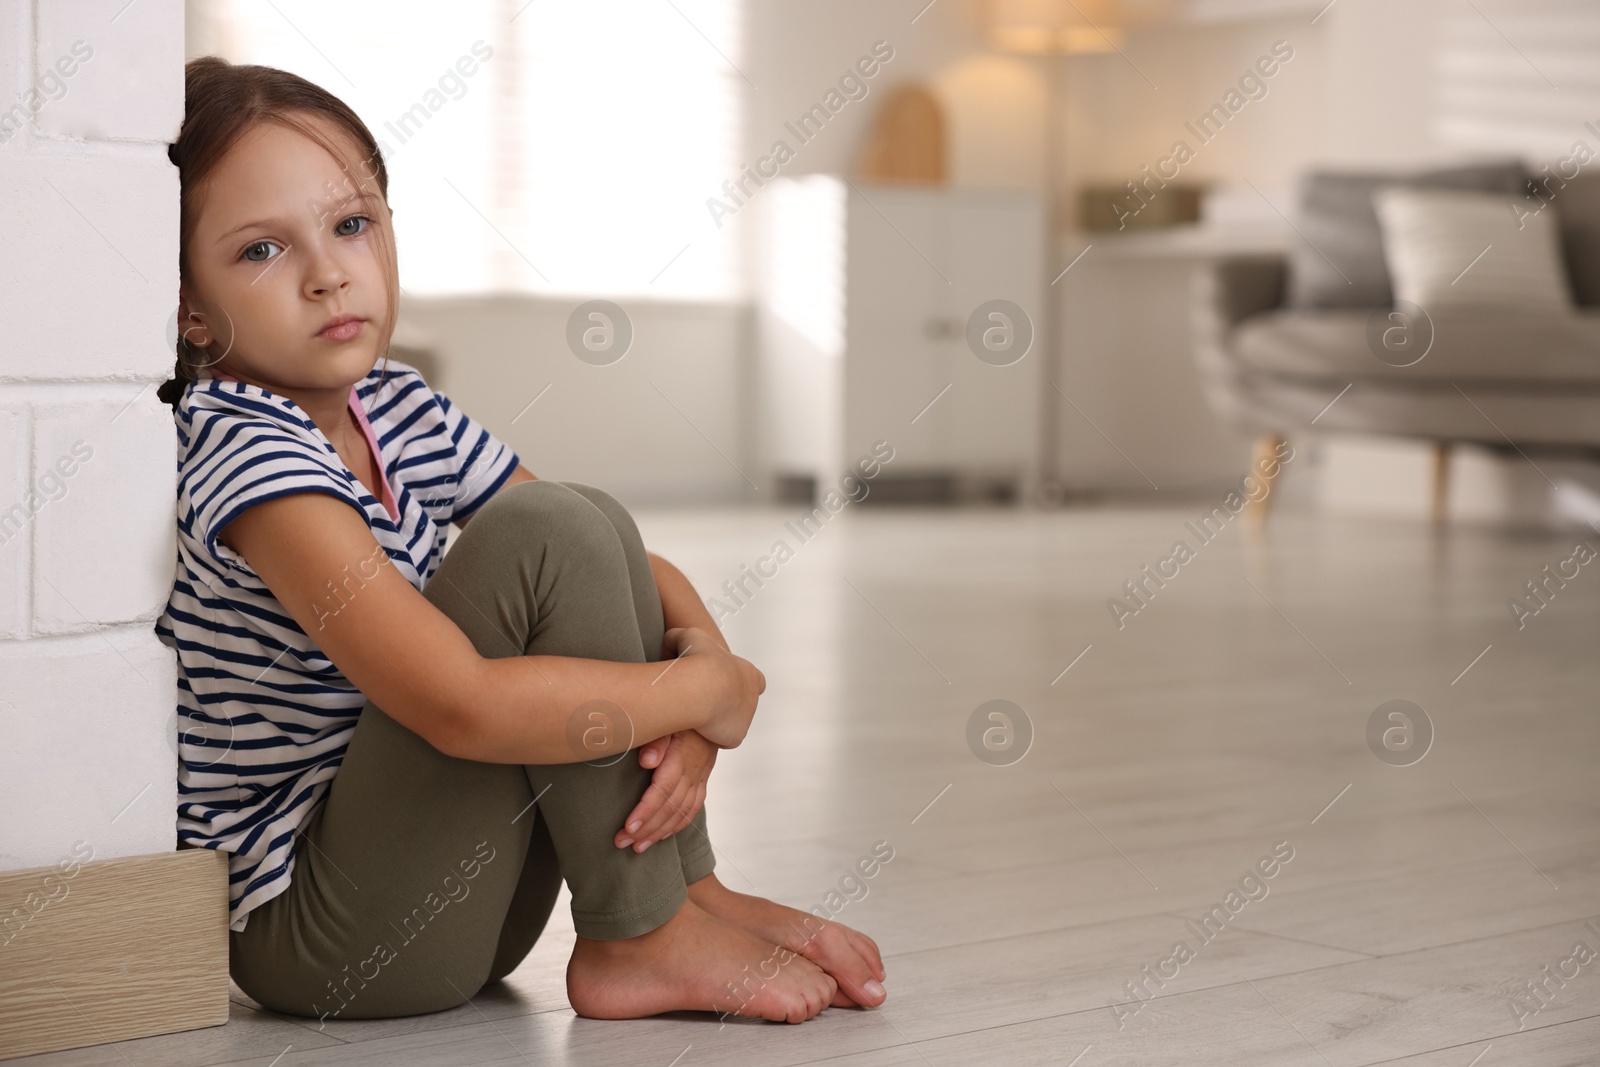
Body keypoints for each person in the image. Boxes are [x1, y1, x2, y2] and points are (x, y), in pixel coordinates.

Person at [153, 56, 885, 1026]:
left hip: (460, 905)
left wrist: (706, 662)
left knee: (585, 519)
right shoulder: (246, 451)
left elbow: (607, 555)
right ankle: (639, 932)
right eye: (260, 251)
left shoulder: (395, 405)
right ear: (191, 307)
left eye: (351, 224)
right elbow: (456, 707)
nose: (328, 272)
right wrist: (694, 693)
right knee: (542, 533)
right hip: (330, 935)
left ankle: (677, 898)